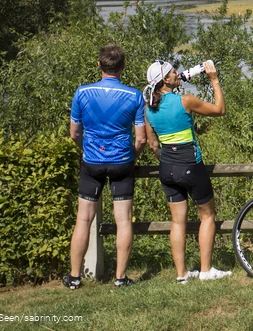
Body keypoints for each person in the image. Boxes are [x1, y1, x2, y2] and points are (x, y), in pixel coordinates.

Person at [65, 44, 147, 290]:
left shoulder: (82, 93)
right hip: (122, 162)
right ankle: (120, 278)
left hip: (92, 162)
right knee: (124, 221)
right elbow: (141, 139)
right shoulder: (134, 96)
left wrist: (87, 148)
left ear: (99, 65)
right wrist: (131, 156)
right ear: (122, 67)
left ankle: (75, 277)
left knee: (83, 220)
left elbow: (74, 133)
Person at [144, 59, 231, 283]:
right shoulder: (185, 101)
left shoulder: (149, 109)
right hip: (191, 165)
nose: (178, 73)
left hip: (167, 168)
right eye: (173, 72)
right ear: (165, 79)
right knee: (208, 215)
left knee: (177, 222)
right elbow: (220, 110)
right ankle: (205, 270)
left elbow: (153, 145)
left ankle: (182, 275)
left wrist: (166, 161)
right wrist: (214, 79)